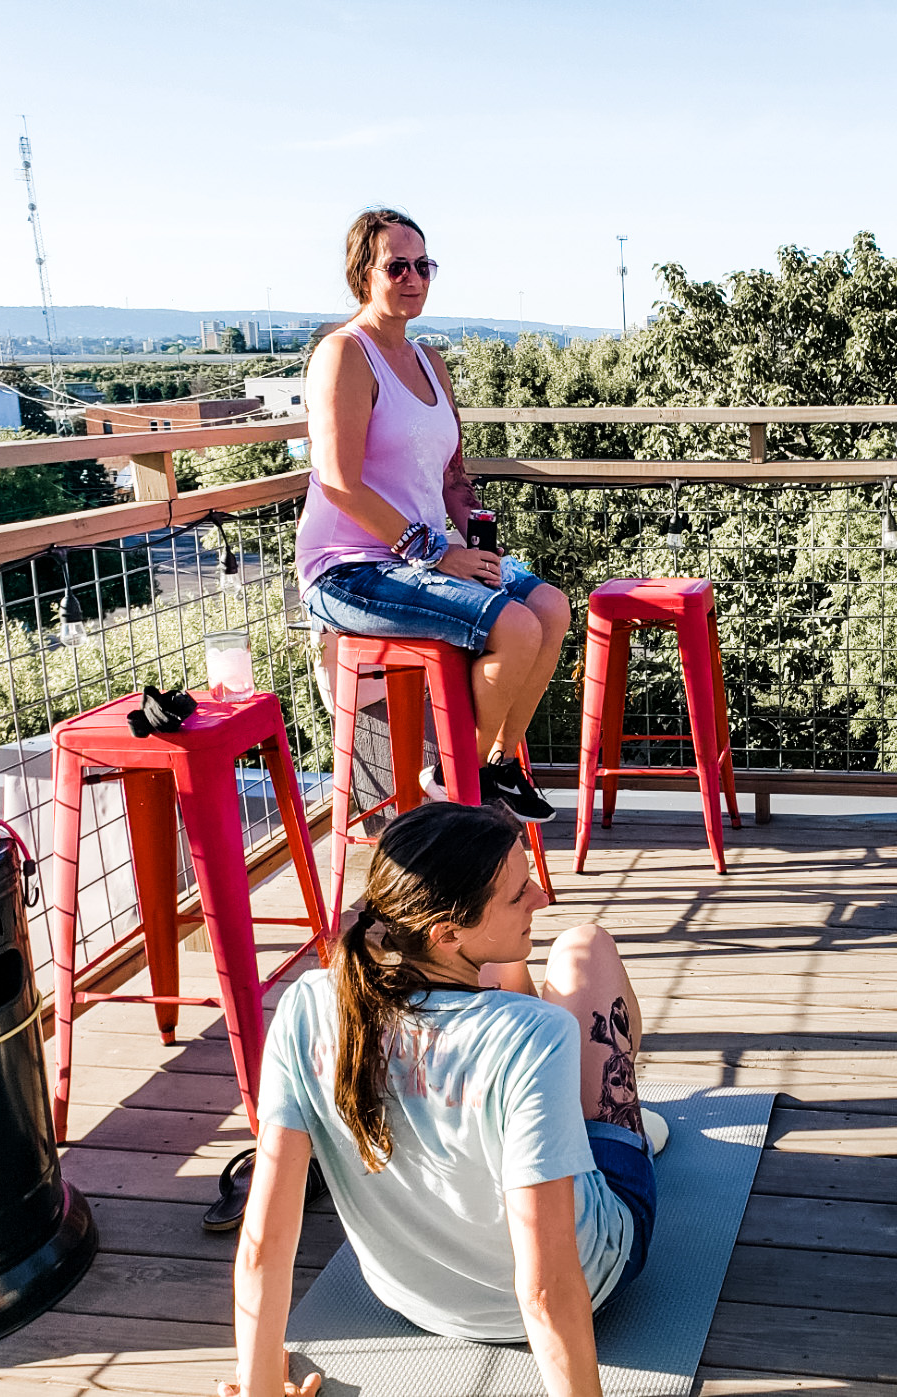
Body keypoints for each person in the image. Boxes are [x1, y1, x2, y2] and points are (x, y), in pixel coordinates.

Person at [223, 803, 657, 1397]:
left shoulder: (307, 1006)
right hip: (595, 1272)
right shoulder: (533, 1036)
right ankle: (609, 1138)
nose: (539, 899)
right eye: (517, 895)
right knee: (584, 950)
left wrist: (259, 1389)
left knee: (502, 979)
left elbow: (263, 1245)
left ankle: (559, 1125)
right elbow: (549, 1285)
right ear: (446, 931)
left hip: (413, 1297)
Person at [295, 207, 568, 823]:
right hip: (351, 567)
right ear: (363, 274)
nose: (413, 277)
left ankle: (494, 764)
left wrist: (469, 518)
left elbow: (448, 472)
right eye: (397, 266)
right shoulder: (343, 356)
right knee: (515, 627)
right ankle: (456, 778)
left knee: (548, 606)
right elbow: (339, 482)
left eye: (424, 265)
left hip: (418, 553)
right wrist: (438, 553)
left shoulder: (428, 359)